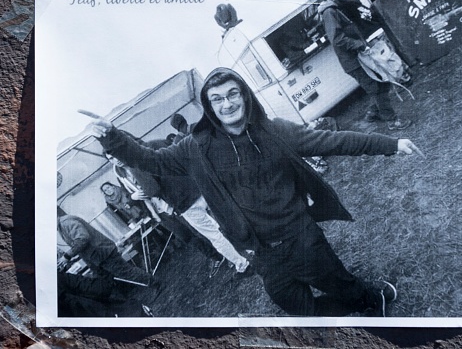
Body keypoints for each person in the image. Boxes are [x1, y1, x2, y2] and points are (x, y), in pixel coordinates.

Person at [88, 68, 423, 317]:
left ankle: (369, 298)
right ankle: (362, 300)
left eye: (233, 94)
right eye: (217, 99)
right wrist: (112, 138)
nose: (227, 103)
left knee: (339, 284)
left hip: (301, 237)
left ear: (244, 96)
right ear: (209, 106)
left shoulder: (276, 132)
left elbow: (334, 141)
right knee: (295, 305)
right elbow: (150, 160)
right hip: (258, 250)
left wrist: (390, 144)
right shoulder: (195, 148)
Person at [105, 151, 250, 275]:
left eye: (115, 155)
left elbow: (153, 189)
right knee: (211, 228)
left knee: (213, 231)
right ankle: (234, 253)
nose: (115, 160)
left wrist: (143, 193)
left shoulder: (137, 163)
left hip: (181, 201)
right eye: (111, 158)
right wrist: (136, 197)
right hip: (180, 198)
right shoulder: (123, 172)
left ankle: (240, 262)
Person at [319, 0, 411, 130]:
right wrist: (359, 45)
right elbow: (336, 39)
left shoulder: (336, 8)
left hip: (359, 57)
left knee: (379, 83)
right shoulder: (329, 12)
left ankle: (372, 113)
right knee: (377, 86)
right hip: (353, 61)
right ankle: (392, 121)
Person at [57, 214, 155, 287]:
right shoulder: (61, 226)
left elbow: (82, 238)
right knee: (121, 273)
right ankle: (150, 283)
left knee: (126, 271)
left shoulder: (66, 223)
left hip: (102, 252)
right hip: (98, 255)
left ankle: (154, 283)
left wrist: (67, 256)